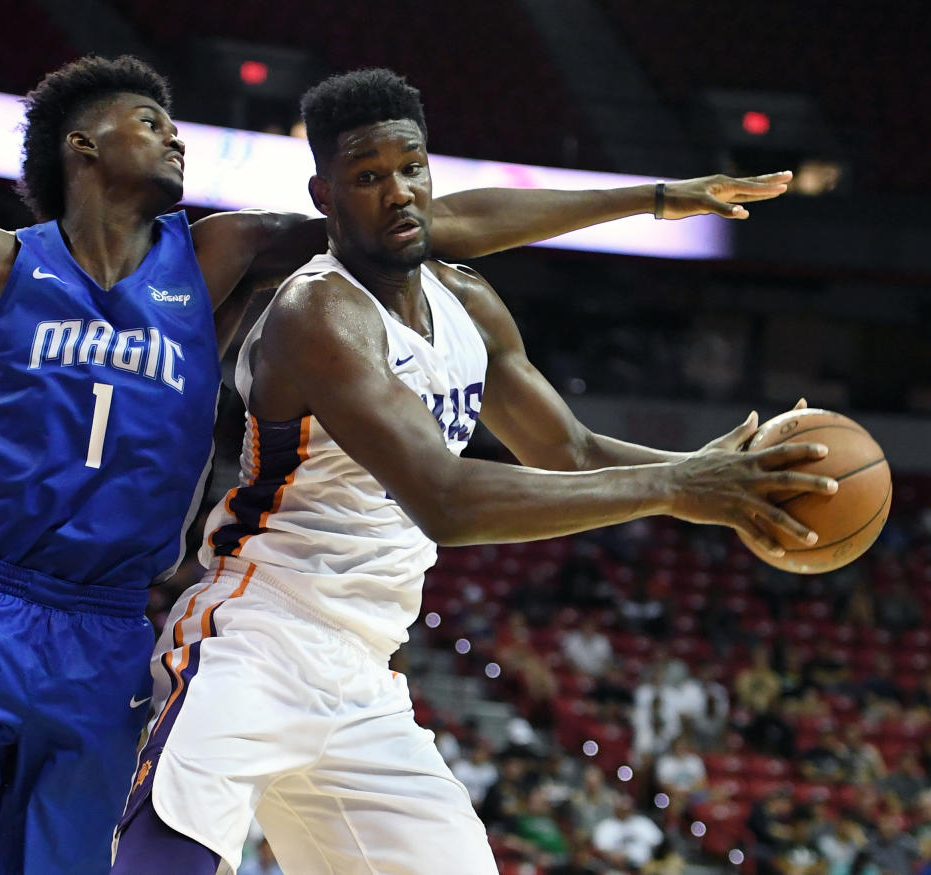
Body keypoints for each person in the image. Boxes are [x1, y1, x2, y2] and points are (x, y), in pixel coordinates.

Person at [110, 68, 834, 874]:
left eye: (412, 169)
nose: (399, 193)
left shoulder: (468, 303)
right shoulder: (319, 311)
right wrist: (675, 487)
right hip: (255, 635)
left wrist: (707, 478)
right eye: (368, 177)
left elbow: (571, 453)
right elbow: (447, 502)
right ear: (326, 195)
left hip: (366, 677)